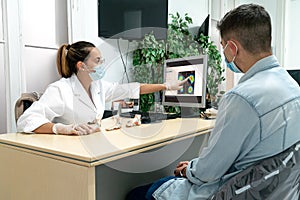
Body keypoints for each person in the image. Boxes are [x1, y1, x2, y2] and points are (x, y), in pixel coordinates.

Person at [126, 4, 300, 200]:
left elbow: (209, 172)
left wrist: (190, 169)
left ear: (232, 47)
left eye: (223, 46)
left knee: (137, 194)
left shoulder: (242, 98)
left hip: (231, 192)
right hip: (275, 191)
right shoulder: (293, 87)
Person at [17, 41, 187, 135]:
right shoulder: (60, 90)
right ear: (81, 66)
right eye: (97, 61)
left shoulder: (97, 86)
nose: (102, 64)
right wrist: (61, 129)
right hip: (69, 156)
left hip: (91, 145)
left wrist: (166, 86)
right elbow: (26, 120)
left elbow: (132, 88)